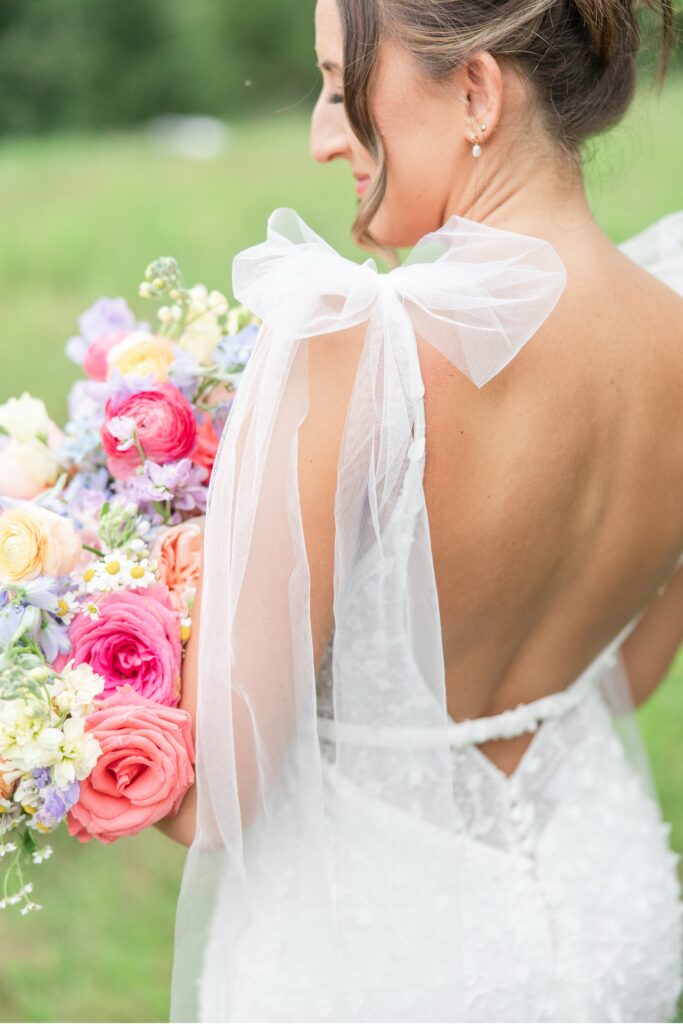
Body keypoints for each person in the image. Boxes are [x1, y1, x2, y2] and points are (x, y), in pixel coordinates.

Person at [156, 0, 683, 1019]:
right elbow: (629, 669)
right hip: (607, 906)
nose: (320, 136)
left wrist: (64, 700)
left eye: (339, 87)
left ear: (477, 91)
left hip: (378, 960)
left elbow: (218, 798)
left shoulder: (351, 349)